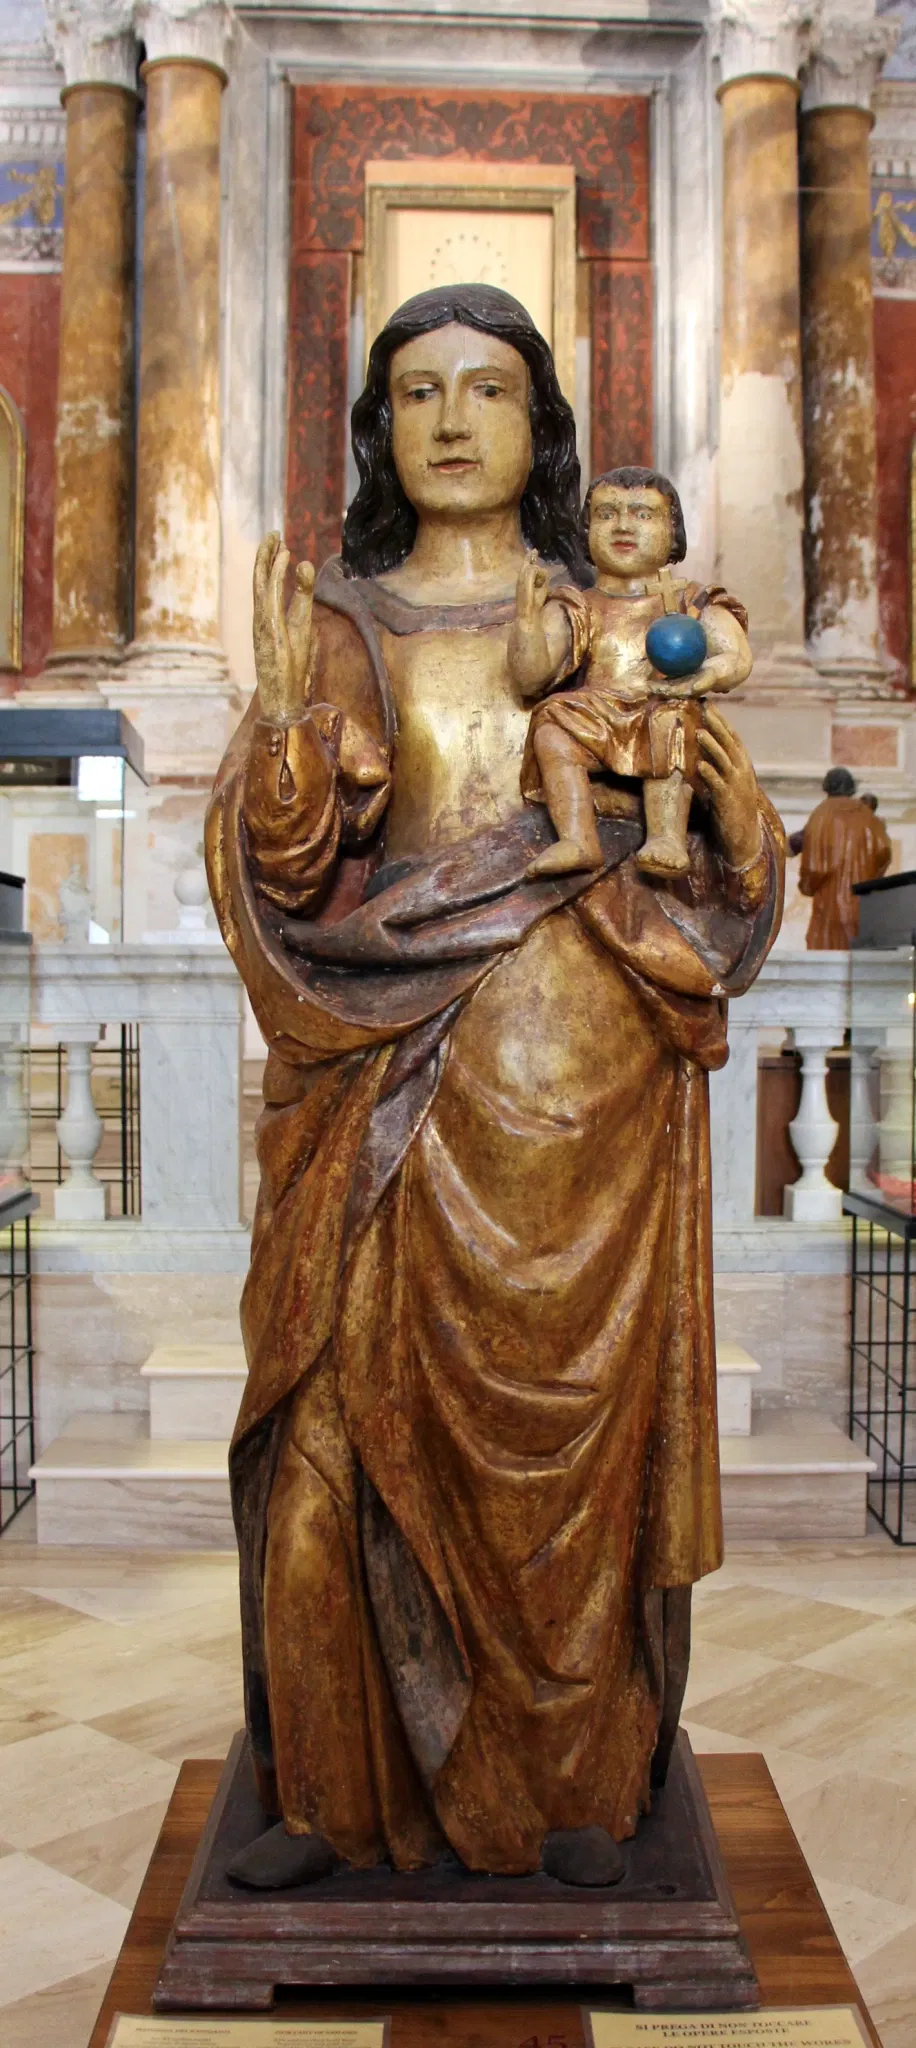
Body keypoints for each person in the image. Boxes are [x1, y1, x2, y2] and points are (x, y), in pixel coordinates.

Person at [206, 284, 785, 1893]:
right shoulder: (340, 619)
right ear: (377, 428)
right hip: (382, 1084)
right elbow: (285, 872)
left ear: (545, 428)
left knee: (577, 1470)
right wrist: (283, 727)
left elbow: (723, 856)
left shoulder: (619, 616)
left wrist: (725, 811)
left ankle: (574, 1785)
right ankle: (336, 1795)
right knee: (331, 1434)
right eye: (416, 392)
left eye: (488, 390)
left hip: (590, 1099)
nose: (452, 420)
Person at [507, 469, 752, 879]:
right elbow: (530, 677)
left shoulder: (689, 601)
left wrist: (704, 678)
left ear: (672, 530)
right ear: (586, 531)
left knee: (672, 718)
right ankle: (578, 839)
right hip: (598, 713)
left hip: (662, 706)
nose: (622, 525)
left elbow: (736, 656)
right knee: (552, 723)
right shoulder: (578, 605)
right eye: (607, 514)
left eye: (642, 514)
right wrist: (528, 618)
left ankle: (666, 837)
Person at [797, 768, 892, 948]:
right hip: (862, 907)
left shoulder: (821, 814)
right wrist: (870, 880)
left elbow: (814, 867)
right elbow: (884, 851)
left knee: (829, 955)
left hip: (830, 907)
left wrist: (807, 885)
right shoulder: (868, 816)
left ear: (827, 787)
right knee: (860, 956)